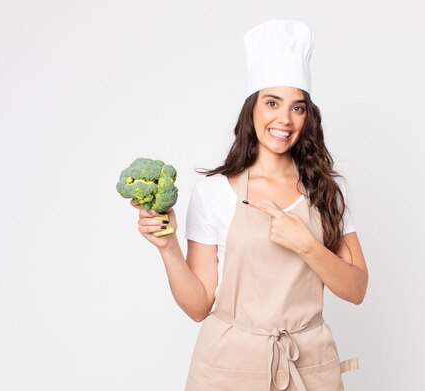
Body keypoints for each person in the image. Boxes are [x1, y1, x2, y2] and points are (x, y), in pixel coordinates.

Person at [130, 19, 368, 391]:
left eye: (298, 107)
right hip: (228, 369)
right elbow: (197, 307)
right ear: (252, 109)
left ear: (308, 117)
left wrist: (305, 243)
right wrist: (168, 247)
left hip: (308, 367)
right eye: (272, 102)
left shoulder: (325, 192)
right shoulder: (214, 192)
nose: (284, 119)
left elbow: (356, 289)